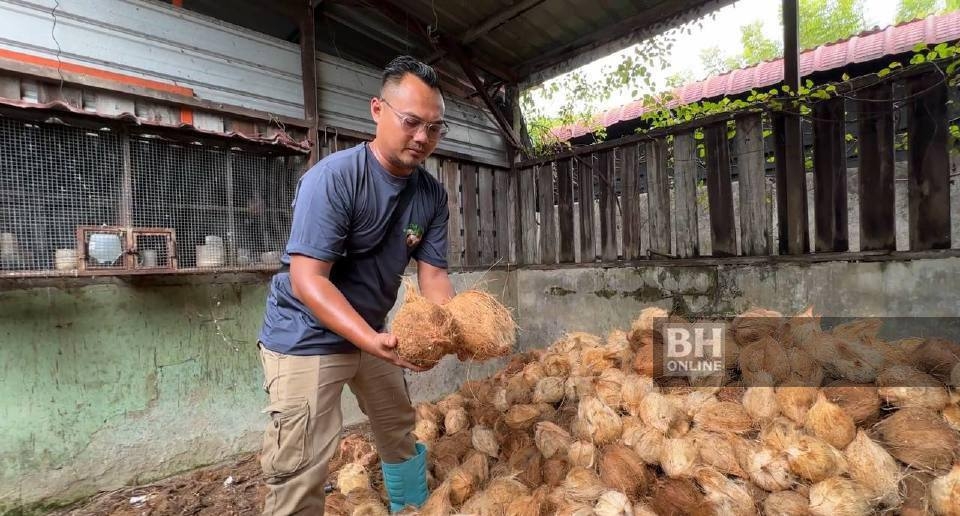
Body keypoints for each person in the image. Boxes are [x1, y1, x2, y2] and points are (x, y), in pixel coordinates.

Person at [256, 55, 455, 515]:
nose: (423, 137)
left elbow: (435, 277)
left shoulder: (430, 195)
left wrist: (447, 329)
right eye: (412, 122)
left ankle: (411, 507)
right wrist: (371, 339)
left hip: (372, 331)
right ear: (377, 110)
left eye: (435, 127)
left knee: (398, 429)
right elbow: (309, 280)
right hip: (307, 334)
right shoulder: (334, 178)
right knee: (301, 462)